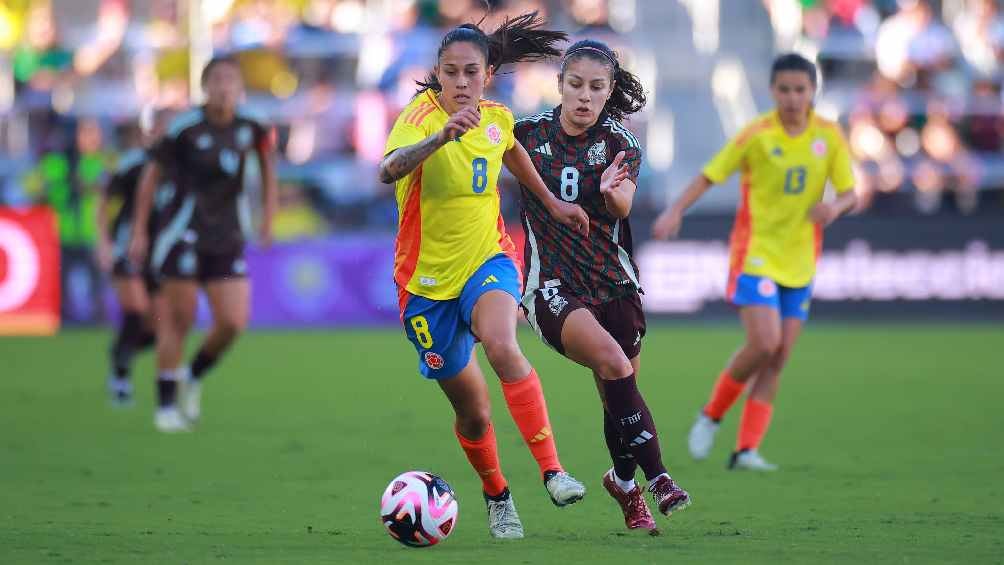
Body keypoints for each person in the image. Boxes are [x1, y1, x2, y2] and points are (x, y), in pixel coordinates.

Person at [379, 13, 589, 540]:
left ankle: (553, 471)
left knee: (501, 343)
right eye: (451, 73)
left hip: (487, 260)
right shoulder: (420, 118)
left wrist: (551, 203)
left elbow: (512, 150)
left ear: (487, 73)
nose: (461, 83)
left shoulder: (497, 117)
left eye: (471, 72)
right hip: (425, 289)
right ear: (438, 74)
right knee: (473, 414)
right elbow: (389, 169)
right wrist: (440, 139)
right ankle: (498, 495)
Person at [514, 39, 690, 535]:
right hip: (553, 285)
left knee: (619, 394)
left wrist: (615, 195)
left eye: (596, 87)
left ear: (609, 90)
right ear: (560, 86)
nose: (584, 96)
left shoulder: (621, 144)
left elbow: (624, 207)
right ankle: (659, 480)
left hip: (615, 285)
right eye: (575, 85)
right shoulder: (525, 134)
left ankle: (623, 484)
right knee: (615, 367)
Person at [652, 53, 857, 471]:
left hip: (801, 260)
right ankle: (710, 416)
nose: (793, 97)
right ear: (772, 91)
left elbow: (850, 191)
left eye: (800, 89)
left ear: (812, 91)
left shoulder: (829, 136)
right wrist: (675, 211)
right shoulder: (757, 135)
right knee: (764, 342)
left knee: (778, 356)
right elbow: (710, 175)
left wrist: (835, 209)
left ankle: (745, 450)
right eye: (785, 89)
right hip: (756, 254)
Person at [129, 56, 277, 433]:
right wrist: (140, 231)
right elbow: (150, 177)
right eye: (217, 80)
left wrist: (267, 219)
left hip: (226, 235)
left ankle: (192, 375)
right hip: (181, 233)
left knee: (232, 322)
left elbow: (268, 170)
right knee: (179, 320)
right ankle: (165, 407)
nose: (225, 86)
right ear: (205, 86)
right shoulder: (185, 128)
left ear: (239, 87)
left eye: (231, 79)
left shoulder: (252, 127)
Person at [95, 110, 174, 405]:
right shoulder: (132, 165)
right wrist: (103, 242)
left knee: (156, 327)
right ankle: (120, 380)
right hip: (127, 248)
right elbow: (104, 201)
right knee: (136, 309)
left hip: (161, 253)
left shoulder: (181, 168)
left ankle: (119, 356)